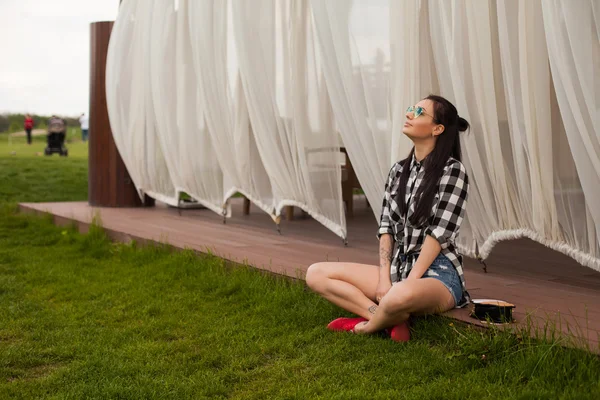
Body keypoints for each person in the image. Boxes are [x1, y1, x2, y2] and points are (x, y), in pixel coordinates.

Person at [306, 95, 470, 342]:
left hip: (438, 274)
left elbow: (438, 234)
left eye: (419, 112)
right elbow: (386, 229)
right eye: (410, 109)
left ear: (437, 128)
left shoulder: (452, 171)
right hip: (398, 270)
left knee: (399, 294)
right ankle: (384, 316)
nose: (409, 114)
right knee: (315, 273)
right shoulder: (398, 171)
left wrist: (407, 283)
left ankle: (366, 326)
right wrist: (385, 279)